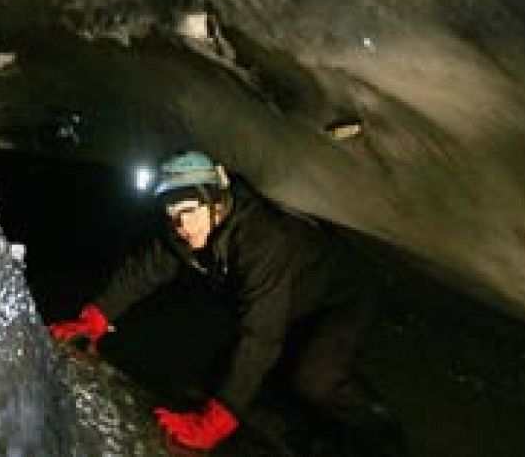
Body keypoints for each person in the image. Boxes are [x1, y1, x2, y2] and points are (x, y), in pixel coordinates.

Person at [48, 150, 402, 453]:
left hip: (341, 295)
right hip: (287, 299)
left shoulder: (261, 239)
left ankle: (379, 431)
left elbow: (261, 335)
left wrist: (218, 418)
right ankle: (312, 431)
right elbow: (143, 271)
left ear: (214, 202)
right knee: (247, 378)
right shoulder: (186, 233)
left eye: (189, 210)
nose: (182, 225)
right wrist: (95, 317)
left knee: (316, 379)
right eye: (172, 214)